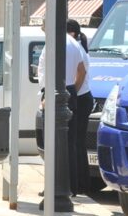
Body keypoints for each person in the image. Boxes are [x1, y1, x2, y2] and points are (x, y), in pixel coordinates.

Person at [37, 19, 87, 194]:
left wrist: (48, 97)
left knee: (52, 144)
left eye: (44, 23)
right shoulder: (72, 43)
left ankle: (54, 187)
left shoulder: (55, 44)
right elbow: (82, 71)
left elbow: (48, 72)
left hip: (54, 92)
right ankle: (71, 186)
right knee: (69, 144)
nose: (42, 27)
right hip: (68, 91)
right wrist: (72, 92)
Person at [67, 19, 94, 195]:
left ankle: (81, 183)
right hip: (81, 97)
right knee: (76, 142)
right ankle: (80, 182)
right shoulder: (75, 47)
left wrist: (72, 94)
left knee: (76, 143)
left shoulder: (77, 49)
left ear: (73, 33)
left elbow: (81, 73)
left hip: (82, 98)